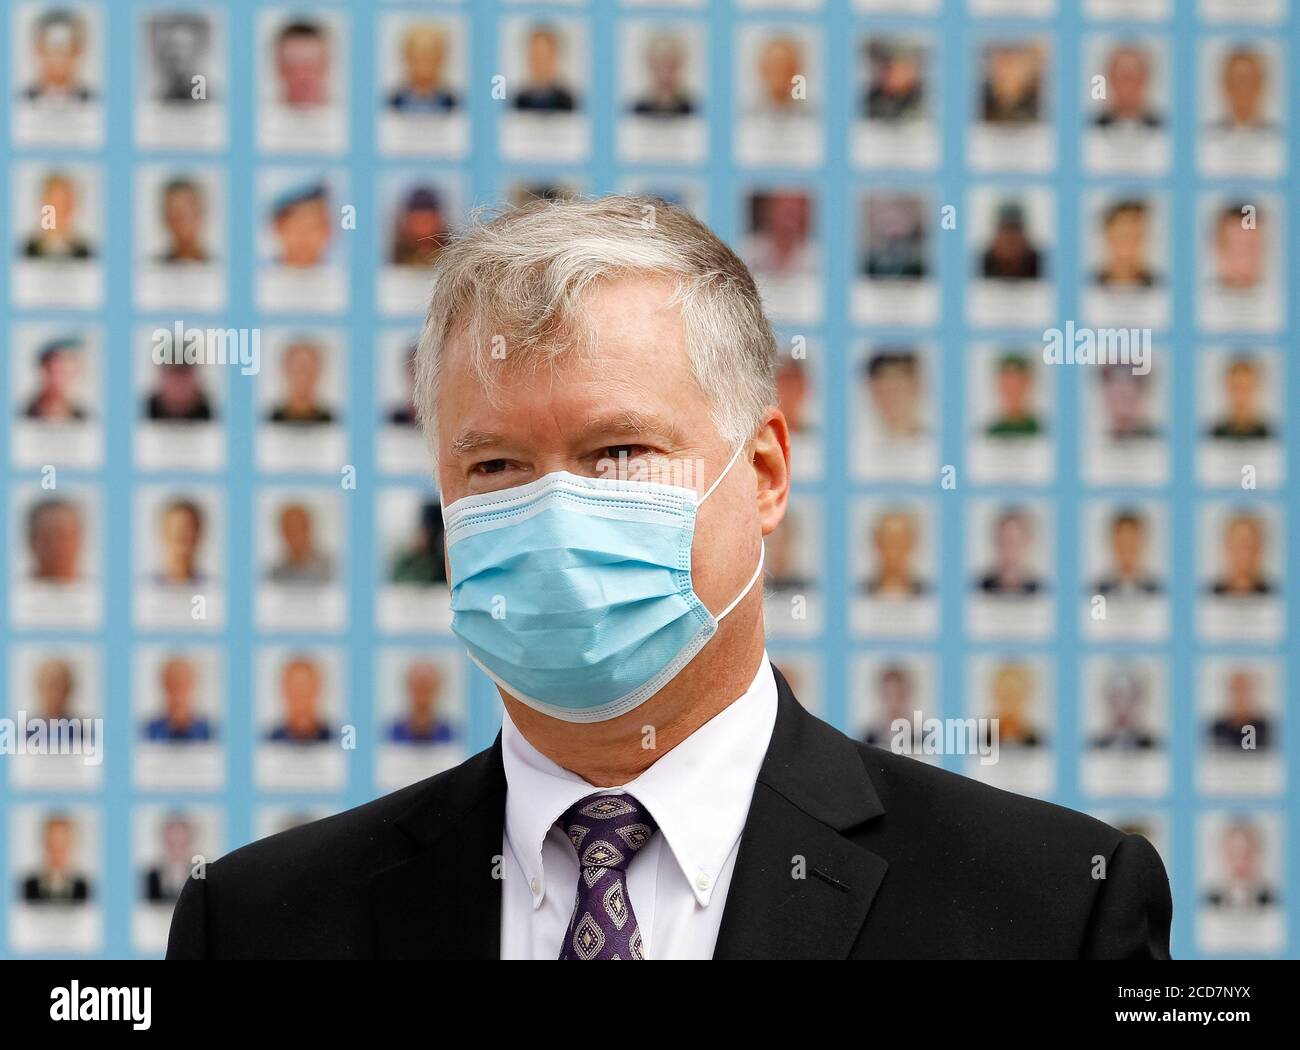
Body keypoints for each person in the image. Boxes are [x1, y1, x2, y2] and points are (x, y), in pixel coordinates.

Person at [169, 195, 1170, 960]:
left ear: (765, 473)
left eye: (619, 452)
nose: (555, 516)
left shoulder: (1048, 909)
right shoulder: (257, 925)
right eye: (495, 466)